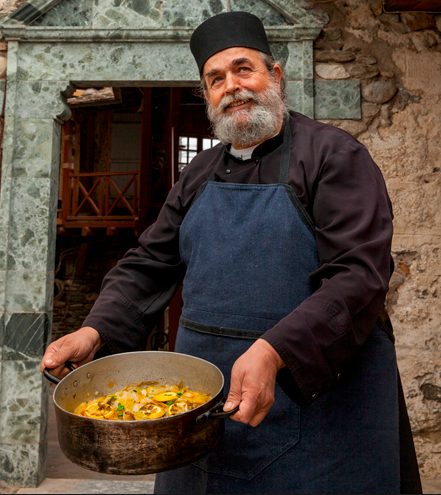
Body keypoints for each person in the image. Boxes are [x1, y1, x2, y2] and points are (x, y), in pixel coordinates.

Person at [41, 12, 421, 494]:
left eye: (244, 70)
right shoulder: (199, 172)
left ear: (275, 76)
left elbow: (359, 277)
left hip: (314, 403)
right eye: (216, 79)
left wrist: (273, 350)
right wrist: (94, 331)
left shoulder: (334, 156)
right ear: (207, 95)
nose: (232, 87)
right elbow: (149, 262)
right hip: (206, 403)